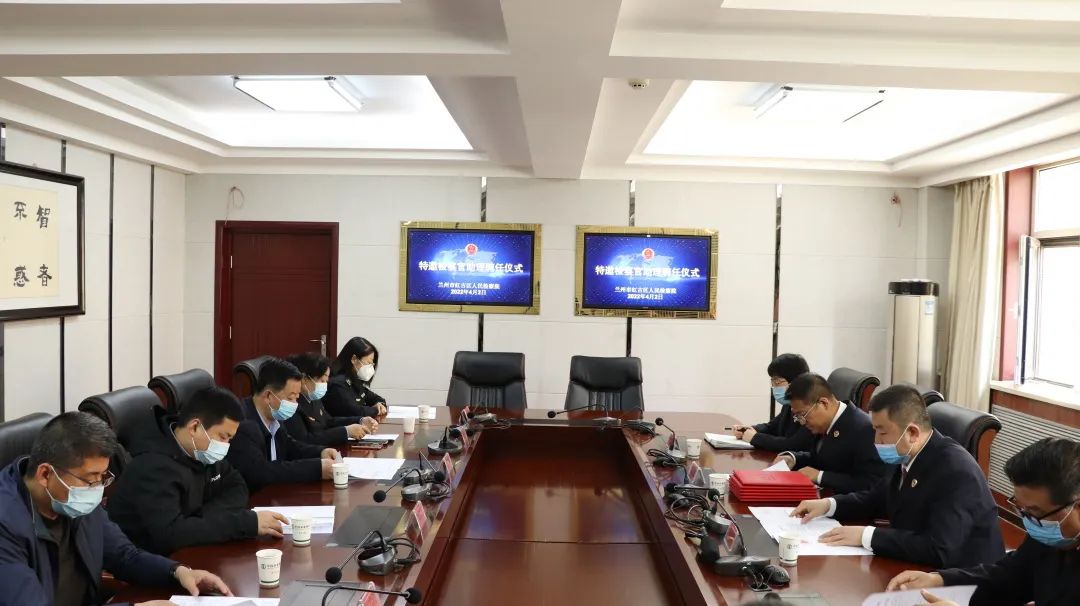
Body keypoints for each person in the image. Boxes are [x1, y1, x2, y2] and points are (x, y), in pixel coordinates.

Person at [0, 412, 231, 606]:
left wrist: (178, 572)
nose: (97, 488)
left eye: (102, 477)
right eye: (91, 478)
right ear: (45, 474)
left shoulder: (71, 500)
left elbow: (124, 556)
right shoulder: (5, 524)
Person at [791, 384, 1003, 568]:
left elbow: (939, 548)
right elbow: (876, 499)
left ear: (912, 433)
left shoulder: (955, 471)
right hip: (917, 566)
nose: (876, 440)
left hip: (963, 581)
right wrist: (828, 505)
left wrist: (866, 536)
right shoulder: (906, 454)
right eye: (875, 430)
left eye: (882, 432)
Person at [886, 437, 1080, 606]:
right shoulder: (1048, 535)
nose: (1028, 522)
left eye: (1035, 512)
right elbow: (1008, 577)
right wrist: (940, 580)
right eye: (1022, 510)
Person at [106, 386, 290, 555]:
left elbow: (237, 485)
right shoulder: (153, 466)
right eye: (223, 437)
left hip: (191, 550)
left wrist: (200, 520)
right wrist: (246, 523)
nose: (225, 445)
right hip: (150, 562)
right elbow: (170, 535)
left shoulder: (201, 450)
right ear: (194, 427)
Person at [225, 357, 340, 491]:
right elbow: (261, 471)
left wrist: (321, 452)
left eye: (296, 398)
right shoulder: (242, 425)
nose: (294, 404)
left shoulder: (273, 413)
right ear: (268, 396)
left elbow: (289, 445)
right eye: (290, 398)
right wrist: (317, 468)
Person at [771, 372, 886, 494]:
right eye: (797, 416)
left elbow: (871, 483)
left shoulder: (864, 429)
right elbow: (822, 458)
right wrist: (793, 458)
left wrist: (821, 476)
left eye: (802, 414)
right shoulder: (824, 423)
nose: (801, 422)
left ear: (823, 403)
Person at [284, 352, 378, 445]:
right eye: (322, 381)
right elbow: (305, 440)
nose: (324, 385)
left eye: (326, 381)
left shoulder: (313, 398)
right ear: (304, 379)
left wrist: (360, 420)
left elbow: (328, 421)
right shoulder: (292, 403)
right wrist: (345, 432)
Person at [734, 353, 814, 452]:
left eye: (777, 382)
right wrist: (747, 430)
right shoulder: (789, 404)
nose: (775, 387)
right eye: (773, 382)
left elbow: (794, 445)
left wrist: (755, 437)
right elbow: (772, 427)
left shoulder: (811, 408)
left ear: (796, 382)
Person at [323, 337, 388, 419]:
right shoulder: (338, 383)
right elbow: (355, 411)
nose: (371, 368)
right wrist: (376, 410)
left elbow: (376, 398)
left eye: (372, 364)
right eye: (368, 363)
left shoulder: (355, 380)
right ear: (354, 359)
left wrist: (380, 404)